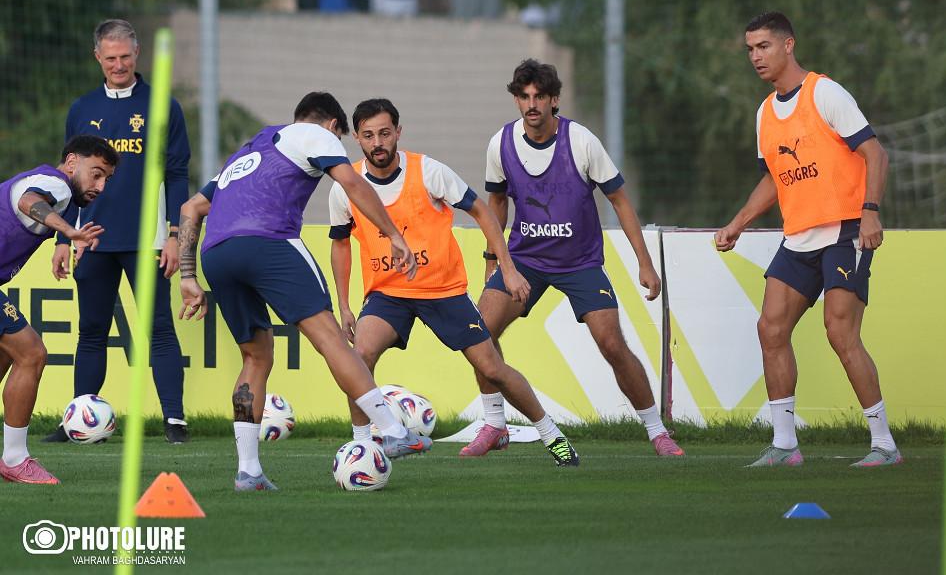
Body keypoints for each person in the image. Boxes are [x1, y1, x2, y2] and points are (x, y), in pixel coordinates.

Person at [177, 92, 432, 491]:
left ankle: (248, 471)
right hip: (269, 242)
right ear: (332, 125)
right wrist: (393, 235)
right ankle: (393, 431)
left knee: (255, 357)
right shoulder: (317, 134)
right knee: (331, 339)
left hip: (217, 253)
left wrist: (187, 276)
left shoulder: (250, 150)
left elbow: (190, 208)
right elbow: (352, 183)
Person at [328, 98, 579, 466]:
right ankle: (363, 446)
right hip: (388, 293)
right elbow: (340, 245)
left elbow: (482, 211)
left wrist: (507, 268)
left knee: (492, 368)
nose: (377, 143)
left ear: (398, 132)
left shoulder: (428, 171)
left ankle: (552, 435)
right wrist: (344, 305)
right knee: (359, 356)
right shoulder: (345, 186)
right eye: (368, 136)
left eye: (384, 133)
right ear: (356, 137)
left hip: (442, 290)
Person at [467, 59, 685, 458]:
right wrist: (492, 260)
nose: (532, 104)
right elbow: (496, 203)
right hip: (525, 260)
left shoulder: (581, 141)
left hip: (580, 263)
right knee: (479, 331)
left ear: (554, 100)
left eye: (540, 97)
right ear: (516, 100)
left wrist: (644, 262)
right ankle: (495, 424)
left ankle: (658, 432)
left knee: (612, 344)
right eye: (524, 97)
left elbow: (619, 200)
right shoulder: (500, 144)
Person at [714, 12, 901, 468]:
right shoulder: (765, 113)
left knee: (840, 332)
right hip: (798, 237)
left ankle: (884, 445)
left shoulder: (825, 93)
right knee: (770, 329)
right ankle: (784, 446)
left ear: (788, 45)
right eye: (750, 49)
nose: (755, 56)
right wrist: (738, 222)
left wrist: (870, 212)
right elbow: (774, 179)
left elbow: (875, 154)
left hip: (845, 231)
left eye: (763, 46)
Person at [46, 19, 191, 444]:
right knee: (91, 330)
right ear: (98, 57)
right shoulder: (81, 109)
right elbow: (68, 180)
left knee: (158, 328)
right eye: (110, 58)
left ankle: (175, 420)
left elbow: (177, 174)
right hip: (91, 238)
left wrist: (174, 235)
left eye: (125, 56)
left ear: (137, 53)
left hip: (147, 240)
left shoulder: (164, 106)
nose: (118, 65)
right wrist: (62, 238)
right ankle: (78, 420)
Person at [1, 136, 117, 484]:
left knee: (9, 353)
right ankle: (15, 459)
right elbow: (29, 201)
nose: (100, 186)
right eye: (96, 173)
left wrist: (66, 236)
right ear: (71, 162)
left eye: (106, 179)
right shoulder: (57, 185)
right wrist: (69, 232)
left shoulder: (56, 191)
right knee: (31, 353)